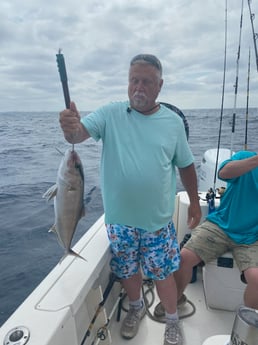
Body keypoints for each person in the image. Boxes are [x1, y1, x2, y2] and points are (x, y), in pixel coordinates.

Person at [59, 53, 201, 345]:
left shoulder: (172, 122)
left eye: (147, 82)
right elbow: (77, 134)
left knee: (163, 274)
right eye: (134, 80)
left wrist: (195, 202)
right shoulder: (110, 113)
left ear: (159, 86)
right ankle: (135, 308)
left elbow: (186, 165)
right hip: (119, 220)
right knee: (127, 270)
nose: (139, 87)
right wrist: (69, 125)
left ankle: (172, 320)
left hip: (157, 221)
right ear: (127, 82)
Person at [154, 150, 258, 319]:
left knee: (256, 279)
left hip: (252, 237)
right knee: (184, 258)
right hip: (221, 225)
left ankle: (248, 323)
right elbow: (223, 172)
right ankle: (176, 300)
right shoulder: (245, 156)